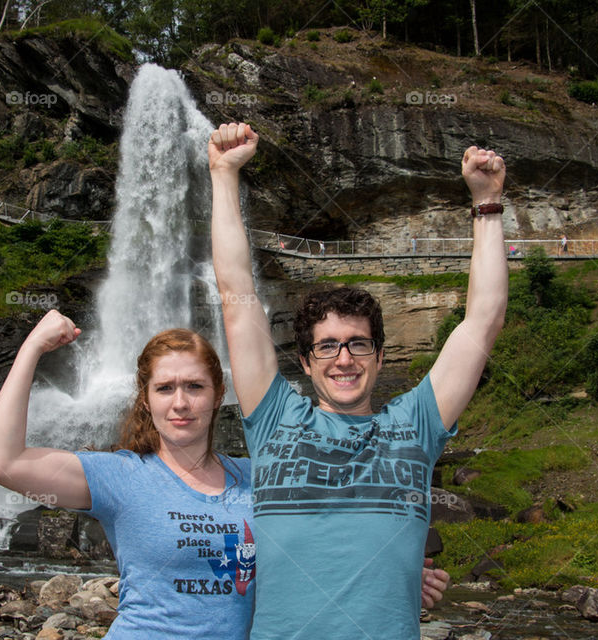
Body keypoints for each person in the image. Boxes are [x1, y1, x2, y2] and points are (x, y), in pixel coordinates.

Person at [0, 311, 450, 639]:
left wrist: (397, 573)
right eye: (165, 388)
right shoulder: (119, 476)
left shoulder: (261, 477)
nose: (180, 403)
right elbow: (0, 462)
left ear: (220, 393)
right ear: (146, 399)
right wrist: (33, 347)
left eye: (194, 387)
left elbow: (333, 529)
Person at [209, 122, 507, 639]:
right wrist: (223, 173)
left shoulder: (417, 423)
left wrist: (486, 204)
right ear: (304, 362)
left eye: (358, 343)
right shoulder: (274, 417)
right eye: (327, 346)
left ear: (379, 355)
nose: (343, 359)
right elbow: (235, 296)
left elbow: (483, 319)